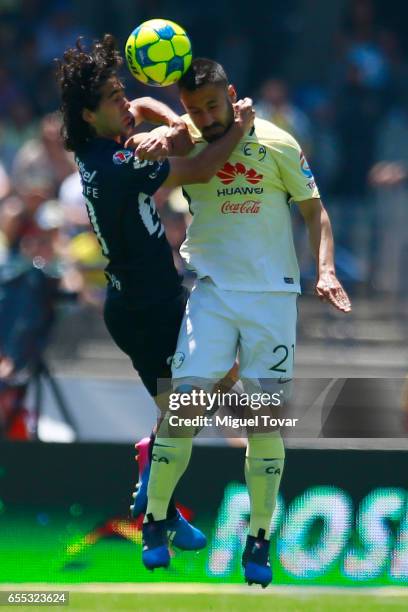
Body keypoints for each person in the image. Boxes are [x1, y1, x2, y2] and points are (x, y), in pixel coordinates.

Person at [136, 58, 351, 587]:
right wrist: (162, 124)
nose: (205, 117)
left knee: (262, 424)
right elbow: (167, 138)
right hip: (210, 295)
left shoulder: (278, 142)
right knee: (183, 407)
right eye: (194, 109)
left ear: (231, 94)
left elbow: (313, 210)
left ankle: (259, 537)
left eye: (212, 105)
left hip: (272, 302)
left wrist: (324, 269)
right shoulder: (185, 138)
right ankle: (155, 519)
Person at [56, 36, 254, 557]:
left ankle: (156, 509)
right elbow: (200, 162)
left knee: (186, 412)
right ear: (88, 114)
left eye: (123, 92)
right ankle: (154, 491)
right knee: (205, 395)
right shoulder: (119, 165)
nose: (126, 103)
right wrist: (239, 127)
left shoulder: (98, 151)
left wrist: (149, 111)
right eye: (113, 99)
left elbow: (154, 124)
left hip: (140, 305)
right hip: (151, 309)